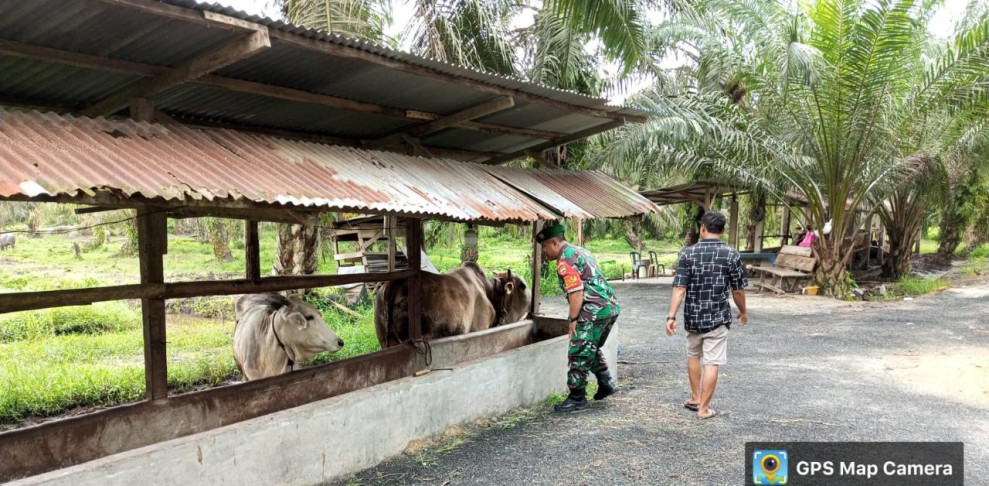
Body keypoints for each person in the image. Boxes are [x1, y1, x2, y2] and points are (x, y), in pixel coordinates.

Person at [665, 211, 748, 419]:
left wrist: (671, 317)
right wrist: (743, 311)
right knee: (712, 361)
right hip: (717, 318)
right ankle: (703, 409)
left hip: (693, 317)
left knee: (694, 355)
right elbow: (738, 290)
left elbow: (679, 288)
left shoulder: (687, 254)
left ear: (702, 228)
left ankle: (695, 398)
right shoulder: (731, 255)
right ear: (722, 230)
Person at [537, 221, 621, 413]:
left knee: (578, 350)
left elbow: (576, 292)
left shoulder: (564, 259)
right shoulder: (581, 251)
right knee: (589, 347)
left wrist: (572, 320)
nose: (544, 251)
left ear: (554, 244)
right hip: (610, 307)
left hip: (592, 309)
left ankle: (577, 397)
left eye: (544, 247)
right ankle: (606, 382)